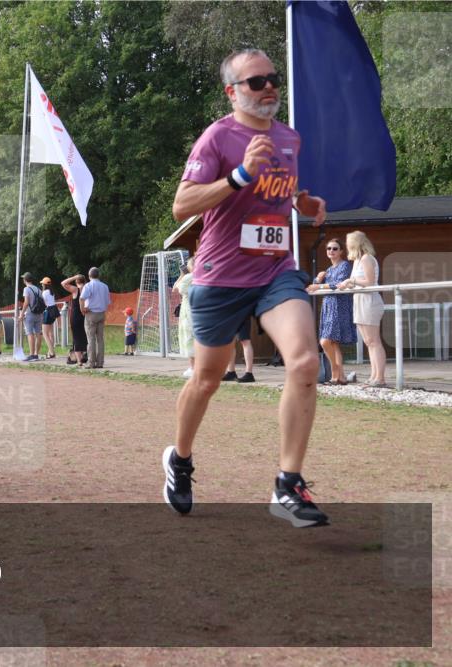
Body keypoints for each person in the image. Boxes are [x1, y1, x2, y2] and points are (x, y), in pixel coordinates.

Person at [164, 48, 330, 528]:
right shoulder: (218, 136)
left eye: (272, 78)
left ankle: (287, 485)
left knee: (303, 361)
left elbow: (280, 192)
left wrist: (302, 202)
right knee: (208, 379)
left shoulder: (289, 138)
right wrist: (237, 177)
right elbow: (182, 205)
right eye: (256, 82)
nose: (269, 87)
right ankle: (180, 459)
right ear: (232, 92)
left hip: (276, 271)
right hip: (220, 276)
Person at [339, 230, 386, 387]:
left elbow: (370, 282)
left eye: (348, 243)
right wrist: (348, 283)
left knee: (374, 341)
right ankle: (374, 376)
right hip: (359, 299)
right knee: (368, 341)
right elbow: (358, 281)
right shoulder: (358, 260)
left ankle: (380, 377)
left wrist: (351, 281)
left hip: (369, 300)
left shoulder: (366, 258)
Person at [306, 238, 356, 384]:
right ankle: (339, 377)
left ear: (341, 251)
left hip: (340, 305)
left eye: (335, 248)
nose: (331, 251)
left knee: (325, 341)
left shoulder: (344, 265)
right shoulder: (328, 270)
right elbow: (315, 286)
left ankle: (334, 370)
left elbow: (338, 284)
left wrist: (320, 286)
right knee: (333, 343)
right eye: (329, 248)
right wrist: (318, 279)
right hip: (328, 305)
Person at [80, 267, 109, 369]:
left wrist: (82, 309)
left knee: (91, 338)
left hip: (91, 314)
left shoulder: (88, 285)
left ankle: (91, 362)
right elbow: (107, 302)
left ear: (89, 276)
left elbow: (82, 298)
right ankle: (100, 362)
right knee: (100, 339)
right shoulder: (105, 286)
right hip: (101, 313)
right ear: (98, 275)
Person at [173, 258, 195, 378]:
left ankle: (193, 368)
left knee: (189, 339)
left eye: (188, 264)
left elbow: (176, 288)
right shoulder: (204, 275)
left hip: (188, 312)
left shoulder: (188, 277)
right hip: (200, 310)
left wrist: (182, 274)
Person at [61, 274, 88, 366]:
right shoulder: (87, 289)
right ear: (85, 281)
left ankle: (79, 361)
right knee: (84, 337)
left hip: (75, 316)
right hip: (85, 316)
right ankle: (85, 355)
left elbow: (63, 283)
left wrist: (73, 277)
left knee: (76, 338)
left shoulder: (75, 290)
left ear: (77, 282)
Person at [17, 272, 43, 361]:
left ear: (25, 280)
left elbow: (26, 302)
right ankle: (36, 354)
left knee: (29, 333)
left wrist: (21, 314)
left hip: (30, 314)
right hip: (39, 314)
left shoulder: (26, 289)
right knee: (38, 333)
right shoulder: (38, 289)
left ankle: (31, 354)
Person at [223, 318, 256, 383]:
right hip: (229, 315)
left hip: (242, 313)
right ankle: (231, 372)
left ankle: (249, 374)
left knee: (245, 341)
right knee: (230, 342)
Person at [40, 277, 59, 359]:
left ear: (44, 284)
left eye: (42, 284)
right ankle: (50, 351)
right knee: (51, 333)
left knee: (45, 333)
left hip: (48, 311)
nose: (41, 285)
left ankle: (52, 352)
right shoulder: (52, 292)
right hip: (54, 310)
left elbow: (43, 303)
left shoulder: (44, 293)